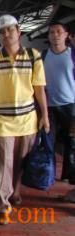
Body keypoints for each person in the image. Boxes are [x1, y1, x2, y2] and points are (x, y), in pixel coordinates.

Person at [0, 14, 50, 225]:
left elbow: (39, 89)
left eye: (10, 30)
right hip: (1, 120)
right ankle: (2, 205)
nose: (6, 34)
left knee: (21, 160)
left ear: (19, 32)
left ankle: (14, 191)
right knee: (4, 162)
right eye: (2, 31)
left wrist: (45, 115)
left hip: (27, 119)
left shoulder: (34, 57)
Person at [43, 22, 75, 183]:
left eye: (58, 32)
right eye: (51, 32)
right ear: (48, 36)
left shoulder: (72, 54)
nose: (55, 35)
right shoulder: (43, 56)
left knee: (72, 142)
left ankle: (69, 176)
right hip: (49, 107)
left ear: (66, 35)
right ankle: (48, 175)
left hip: (71, 107)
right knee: (49, 141)